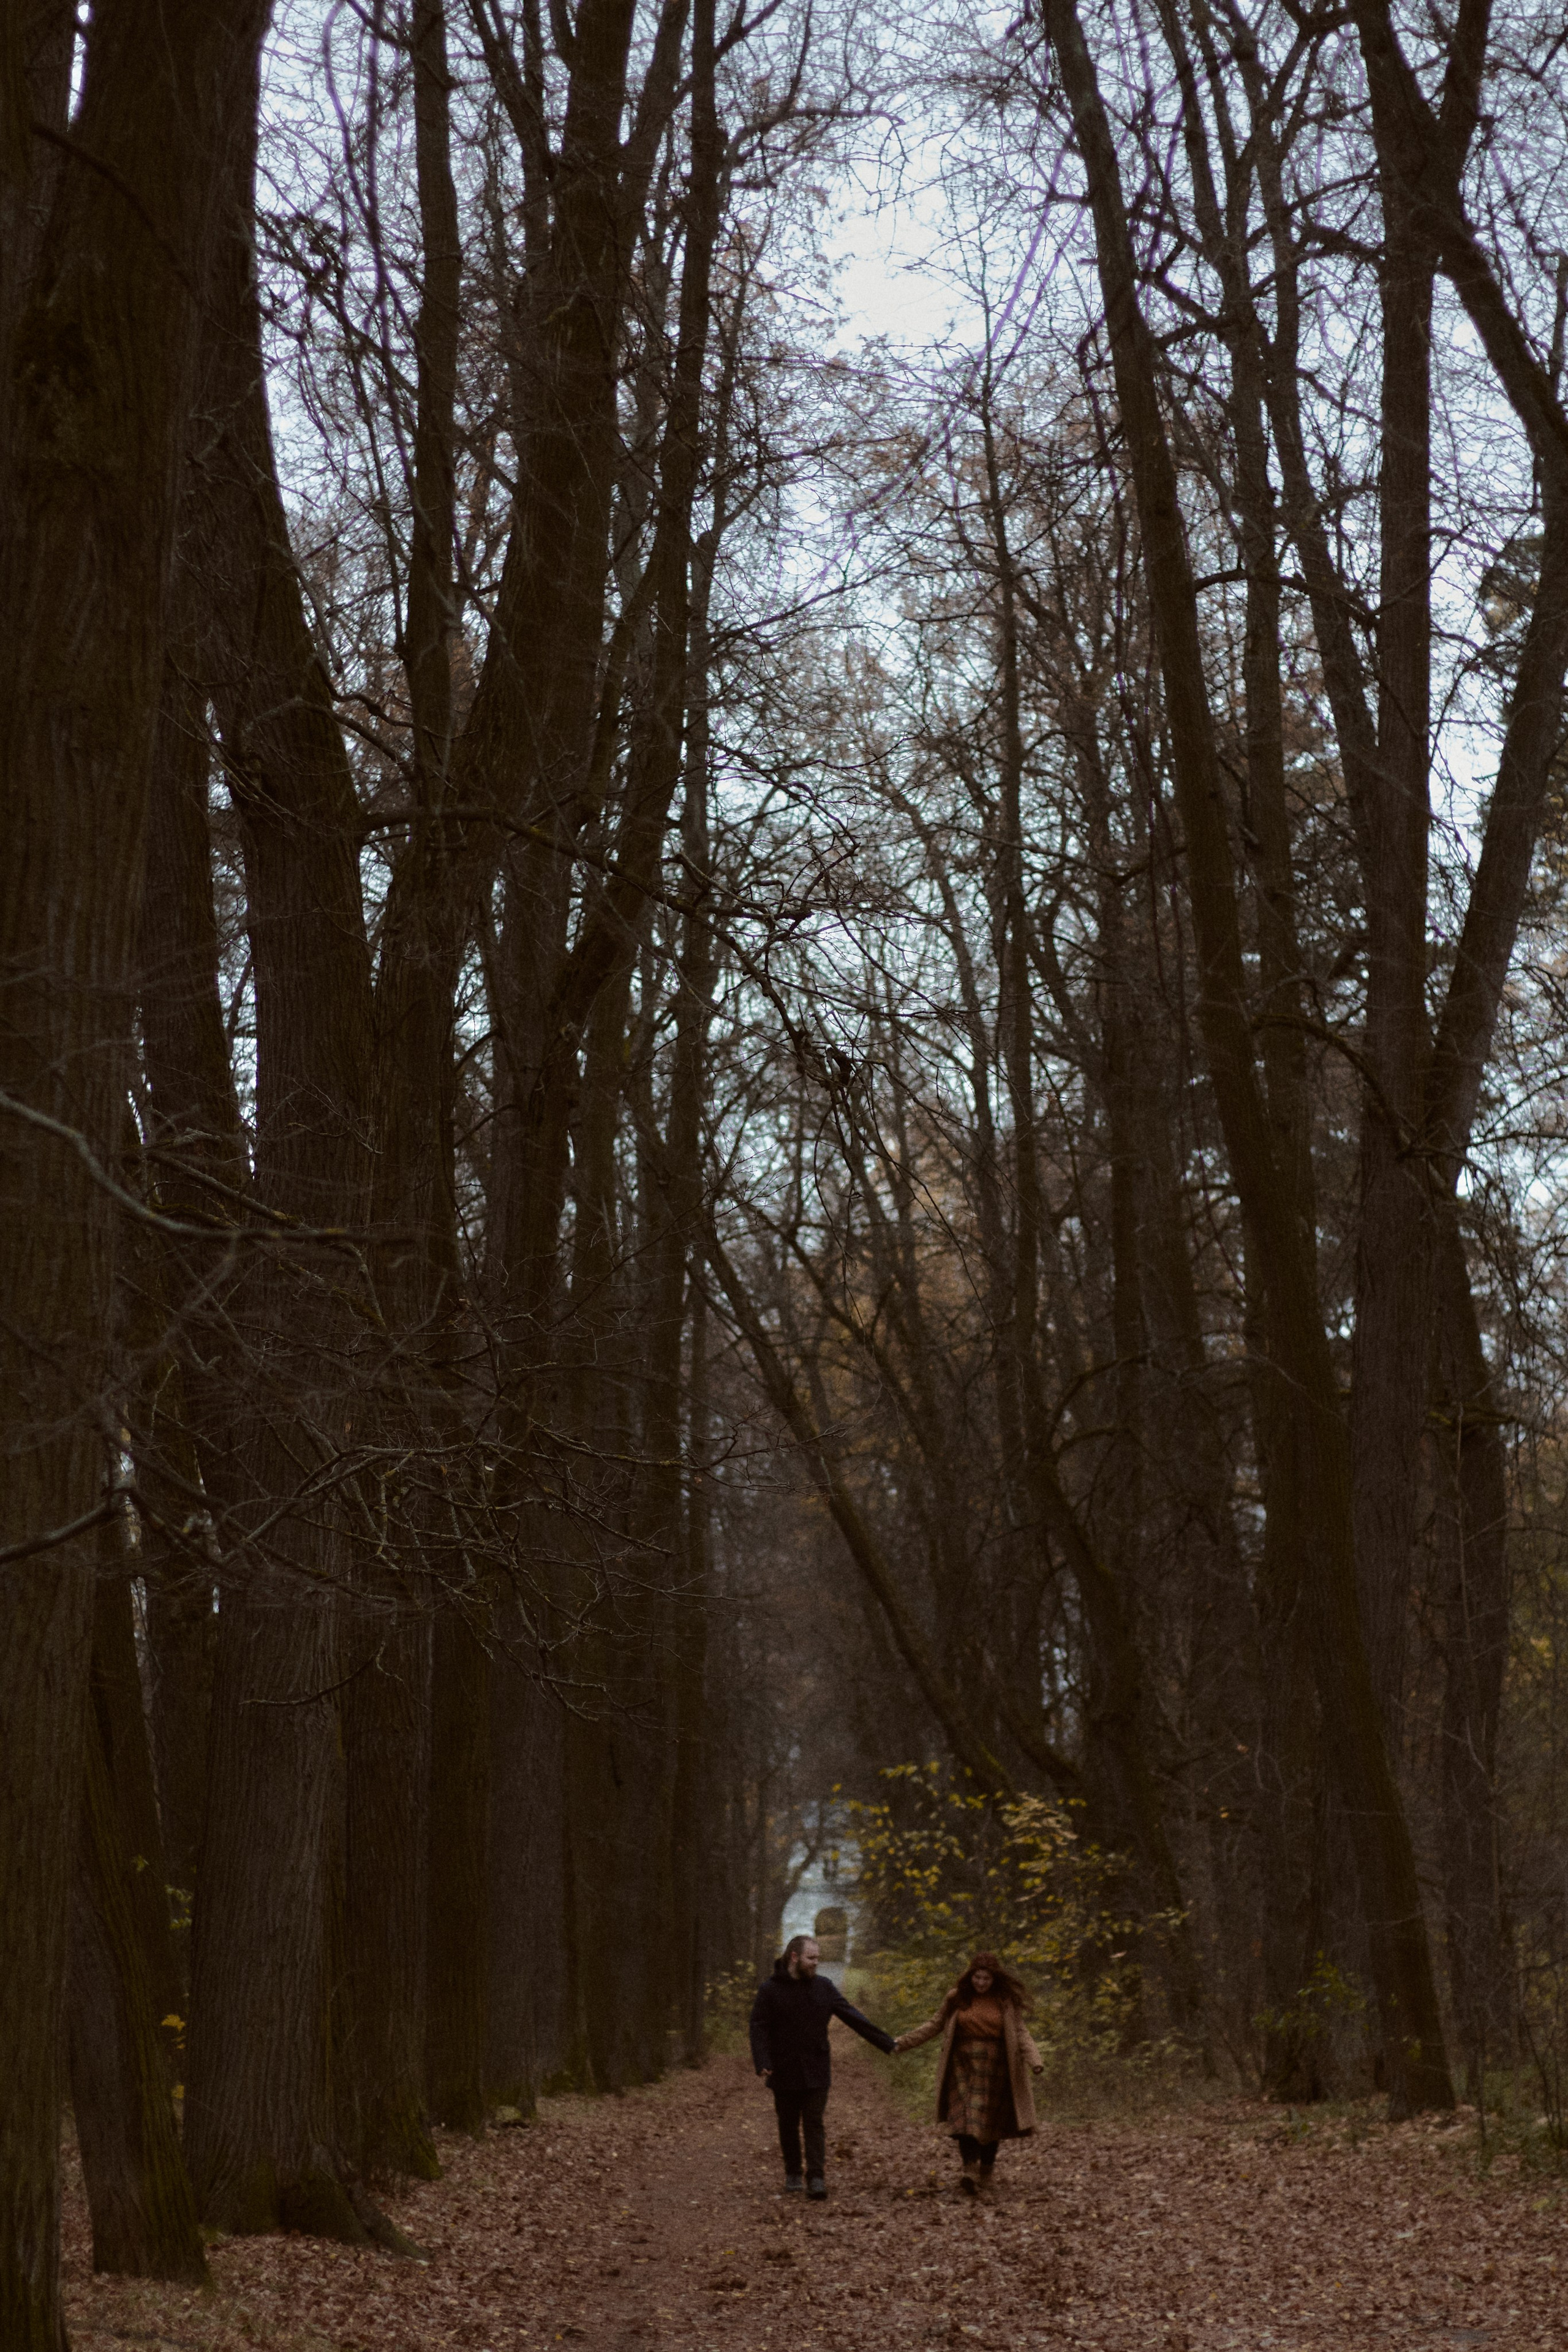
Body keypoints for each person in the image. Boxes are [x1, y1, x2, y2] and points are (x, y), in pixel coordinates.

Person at [748, 1932, 895, 2199]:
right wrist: (763, 2061)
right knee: (788, 2124)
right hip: (783, 2068)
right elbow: (759, 2027)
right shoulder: (770, 1990)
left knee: (814, 2122)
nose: (816, 1963)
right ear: (795, 1957)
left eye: (818, 1958)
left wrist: (887, 2043)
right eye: (811, 1958)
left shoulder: (824, 1987)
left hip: (817, 2067)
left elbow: (852, 2017)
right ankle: (793, 2172)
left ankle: (816, 2177)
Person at [892, 1951, 1044, 2199]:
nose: (981, 1983)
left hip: (996, 2066)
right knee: (966, 2117)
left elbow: (1020, 2031)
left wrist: (1035, 2060)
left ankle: (986, 2172)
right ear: (970, 1976)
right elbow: (935, 2024)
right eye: (977, 1978)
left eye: (986, 1979)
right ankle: (970, 2171)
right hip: (962, 2065)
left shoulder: (1005, 2001)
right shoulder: (957, 1997)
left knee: (990, 2121)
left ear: (994, 1979)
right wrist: (901, 2043)